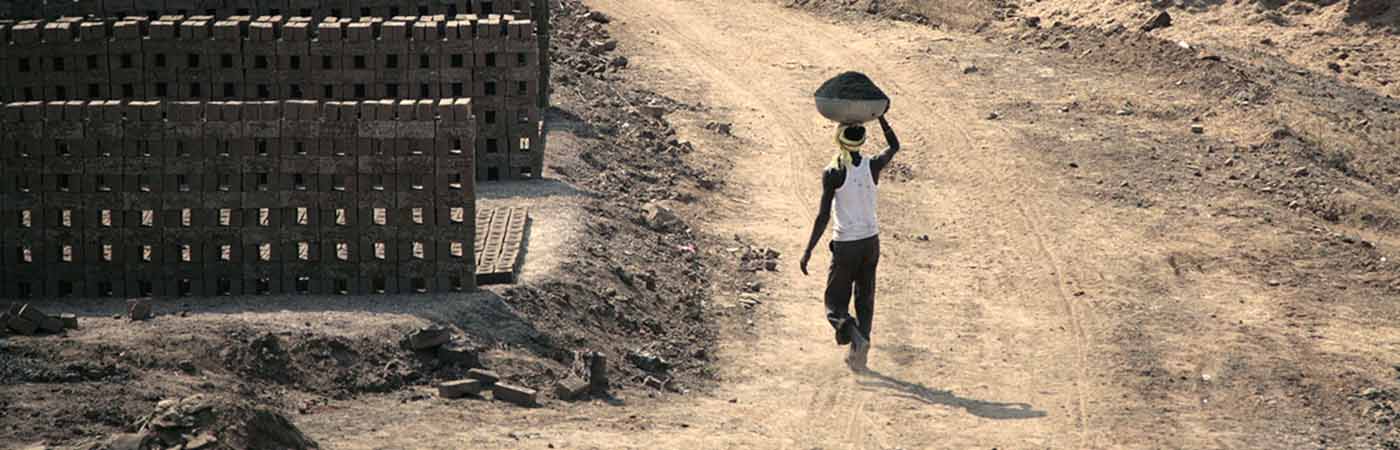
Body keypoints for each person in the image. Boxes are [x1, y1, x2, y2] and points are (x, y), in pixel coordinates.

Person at [799, 116, 900, 371]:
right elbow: (894, 146)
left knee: (834, 303)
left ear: (838, 139)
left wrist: (808, 250)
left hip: (846, 245)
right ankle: (860, 354)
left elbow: (823, 215)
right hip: (871, 242)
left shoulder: (833, 172)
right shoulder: (872, 165)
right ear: (862, 140)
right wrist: (881, 118)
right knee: (865, 299)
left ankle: (855, 338)